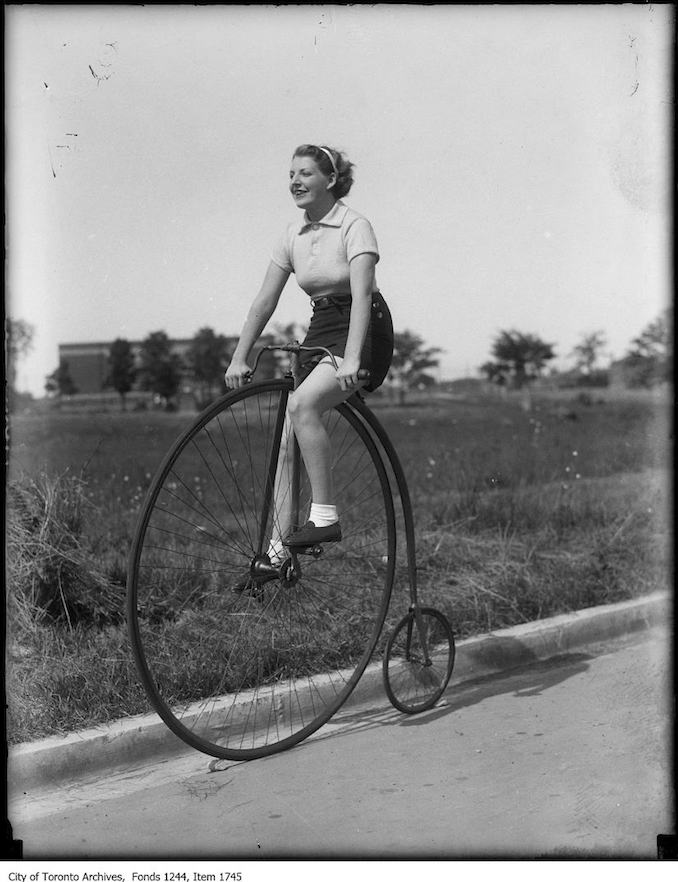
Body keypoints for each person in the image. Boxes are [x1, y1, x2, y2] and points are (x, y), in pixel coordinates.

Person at [224, 144, 394, 565]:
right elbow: (264, 301)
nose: (295, 182)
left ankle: (325, 516)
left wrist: (353, 359)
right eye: (291, 175)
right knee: (286, 446)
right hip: (320, 327)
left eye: (305, 174)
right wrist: (239, 355)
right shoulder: (292, 234)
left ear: (331, 180)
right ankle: (279, 553)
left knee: (302, 405)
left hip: (363, 325)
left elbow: (359, 295)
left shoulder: (355, 226)